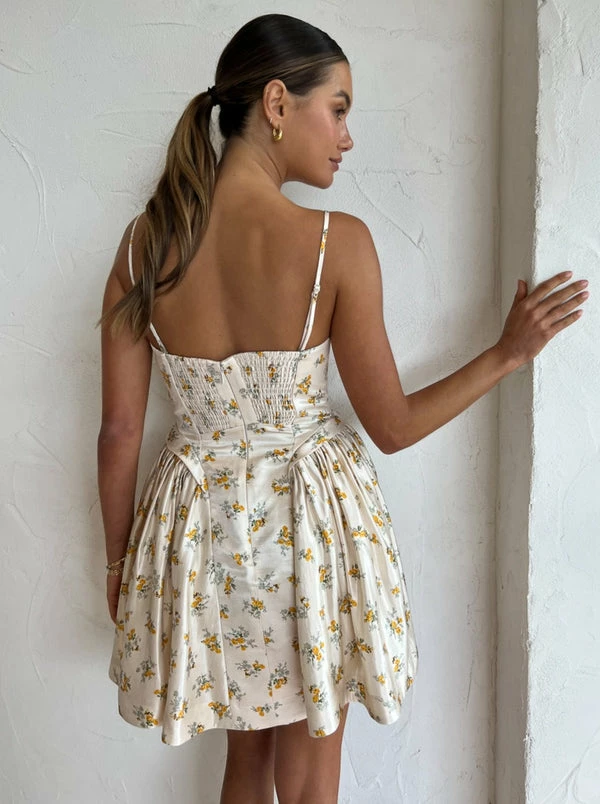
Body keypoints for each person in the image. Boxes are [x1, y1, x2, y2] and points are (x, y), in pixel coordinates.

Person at [96, 12, 588, 804]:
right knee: (310, 780)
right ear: (278, 103)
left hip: (199, 534)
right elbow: (391, 426)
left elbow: (120, 431)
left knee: (244, 764)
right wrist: (507, 353)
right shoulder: (335, 243)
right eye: (339, 108)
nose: (347, 137)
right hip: (310, 529)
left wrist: (120, 564)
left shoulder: (140, 247)